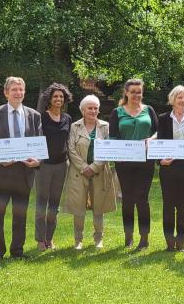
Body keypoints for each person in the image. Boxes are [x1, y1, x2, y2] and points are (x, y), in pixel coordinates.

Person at [0, 76, 42, 261]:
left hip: (24, 173)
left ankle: (17, 251)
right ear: (6, 92)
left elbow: (38, 144)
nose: (18, 93)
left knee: (20, 215)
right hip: (1, 173)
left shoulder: (34, 115)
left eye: (21, 89)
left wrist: (38, 161)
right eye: (14, 89)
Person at [109, 79, 158, 251]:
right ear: (126, 93)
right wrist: (115, 156)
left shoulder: (148, 110)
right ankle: (128, 237)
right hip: (124, 163)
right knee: (128, 200)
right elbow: (113, 137)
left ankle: (144, 239)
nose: (136, 95)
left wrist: (151, 139)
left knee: (142, 199)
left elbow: (158, 132)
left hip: (146, 161)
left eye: (139, 92)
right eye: (133, 92)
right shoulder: (117, 112)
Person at [64, 95, 116, 250]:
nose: (93, 111)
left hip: (100, 172)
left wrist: (93, 167)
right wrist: (83, 167)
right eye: (90, 108)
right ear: (82, 110)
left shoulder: (105, 127)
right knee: (78, 208)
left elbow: (109, 148)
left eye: (95, 108)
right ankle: (78, 240)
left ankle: (98, 239)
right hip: (78, 173)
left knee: (99, 207)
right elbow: (71, 149)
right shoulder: (74, 127)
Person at [157, 85, 184, 252]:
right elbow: (159, 141)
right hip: (168, 167)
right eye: (179, 97)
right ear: (172, 100)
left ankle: (181, 240)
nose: (183, 100)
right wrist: (161, 160)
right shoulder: (163, 118)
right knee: (168, 205)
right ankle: (169, 241)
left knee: (183, 205)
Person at [34, 83, 73, 251]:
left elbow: (68, 142)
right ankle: (40, 240)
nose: (58, 99)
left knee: (54, 205)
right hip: (44, 166)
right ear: (49, 99)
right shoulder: (41, 117)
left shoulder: (67, 118)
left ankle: (50, 238)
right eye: (55, 96)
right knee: (42, 203)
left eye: (61, 97)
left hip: (61, 165)